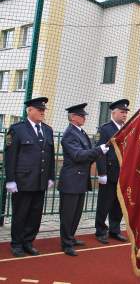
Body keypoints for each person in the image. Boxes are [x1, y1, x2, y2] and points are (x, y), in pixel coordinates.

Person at [4, 97, 55, 257]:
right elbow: (10, 156)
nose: (42, 112)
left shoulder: (47, 130)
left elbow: (50, 156)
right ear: (29, 110)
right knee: (21, 213)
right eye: (39, 109)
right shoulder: (17, 129)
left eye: (43, 110)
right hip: (22, 181)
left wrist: (51, 176)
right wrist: (10, 180)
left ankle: (28, 242)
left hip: (40, 180)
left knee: (35, 214)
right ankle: (17, 244)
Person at [58, 103, 109, 256]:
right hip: (71, 179)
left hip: (80, 179)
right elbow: (78, 155)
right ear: (73, 117)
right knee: (68, 214)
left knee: (76, 212)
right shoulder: (69, 134)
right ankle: (66, 243)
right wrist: (98, 150)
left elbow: (88, 153)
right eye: (81, 115)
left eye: (84, 115)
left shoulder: (81, 133)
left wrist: (97, 152)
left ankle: (71, 237)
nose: (84, 117)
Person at [95, 99, 130, 244]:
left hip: (123, 173)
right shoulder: (105, 129)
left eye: (126, 112)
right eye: (122, 112)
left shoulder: (127, 128)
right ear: (113, 112)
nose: (124, 115)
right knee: (105, 203)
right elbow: (100, 152)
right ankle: (100, 230)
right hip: (109, 172)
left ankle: (114, 230)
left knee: (118, 204)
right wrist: (102, 173)